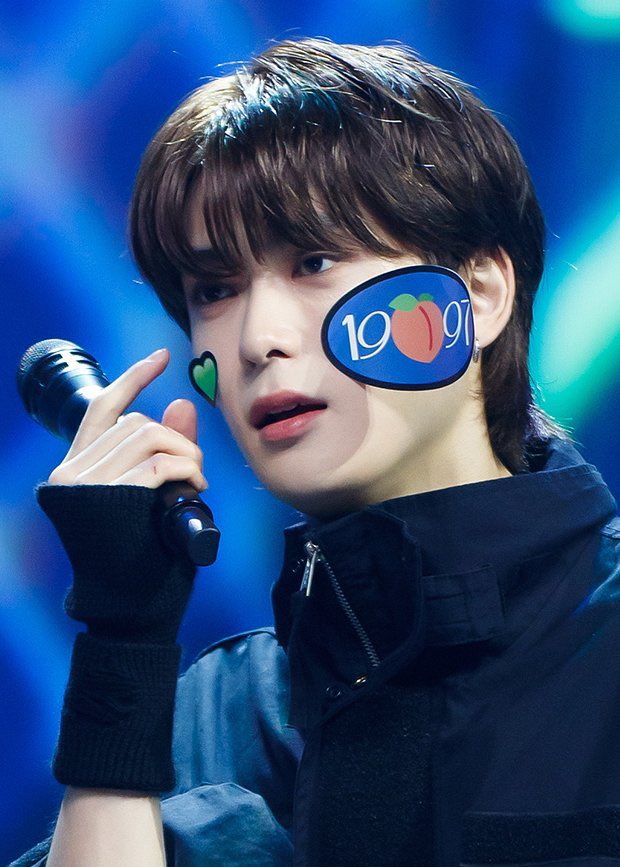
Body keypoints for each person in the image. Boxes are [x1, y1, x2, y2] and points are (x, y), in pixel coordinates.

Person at [13, 37, 620, 867]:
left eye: (315, 260)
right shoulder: (209, 719)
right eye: (216, 290)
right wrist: (121, 645)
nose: (258, 339)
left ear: (479, 293)